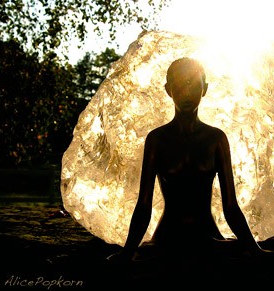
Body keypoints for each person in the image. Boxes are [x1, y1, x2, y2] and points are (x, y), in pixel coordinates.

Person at [109, 57, 264, 264]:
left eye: (193, 85)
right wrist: (127, 252)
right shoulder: (157, 140)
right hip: (166, 239)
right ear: (168, 89)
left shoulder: (216, 139)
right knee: (151, 258)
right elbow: (144, 205)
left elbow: (231, 206)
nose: (186, 93)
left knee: (237, 254)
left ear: (205, 89)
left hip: (209, 238)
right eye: (179, 85)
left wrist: (256, 250)